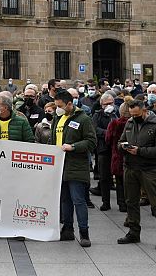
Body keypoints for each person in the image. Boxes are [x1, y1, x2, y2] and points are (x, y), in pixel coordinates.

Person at [117, 100, 156, 250]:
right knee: (131, 201)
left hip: (149, 168)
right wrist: (123, 147)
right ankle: (134, 232)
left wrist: (140, 151)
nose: (134, 117)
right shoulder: (130, 123)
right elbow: (120, 141)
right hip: (130, 167)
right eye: (131, 114)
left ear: (144, 110)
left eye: (136, 114)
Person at [49, 89, 96, 247]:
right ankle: (67, 229)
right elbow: (52, 139)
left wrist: (74, 146)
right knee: (64, 200)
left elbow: (91, 142)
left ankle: (84, 232)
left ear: (70, 104)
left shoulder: (83, 119)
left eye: (60, 106)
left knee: (78, 200)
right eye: (56, 106)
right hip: (59, 166)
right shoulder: (58, 117)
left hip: (76, 165)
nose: (58, 108)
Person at [91, 92, 118, 211]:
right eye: (106, 104)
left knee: (119, 177)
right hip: (103, 149)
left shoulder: (116, 114)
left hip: (116, 149)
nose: (109, 105)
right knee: (104, 177)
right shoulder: (98, 115)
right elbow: (94, 128)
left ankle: (122, 202)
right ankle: (105, 202)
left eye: (111, 103)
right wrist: (107, 132)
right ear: (101, 105)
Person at [106, 100, 132, 213]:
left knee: (119, 182)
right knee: (131, 182)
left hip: (117, 155)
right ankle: (129, 202)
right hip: (132, 156)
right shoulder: (133, 123)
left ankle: (121, 203)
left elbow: (108, 139)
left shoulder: (114, 123)